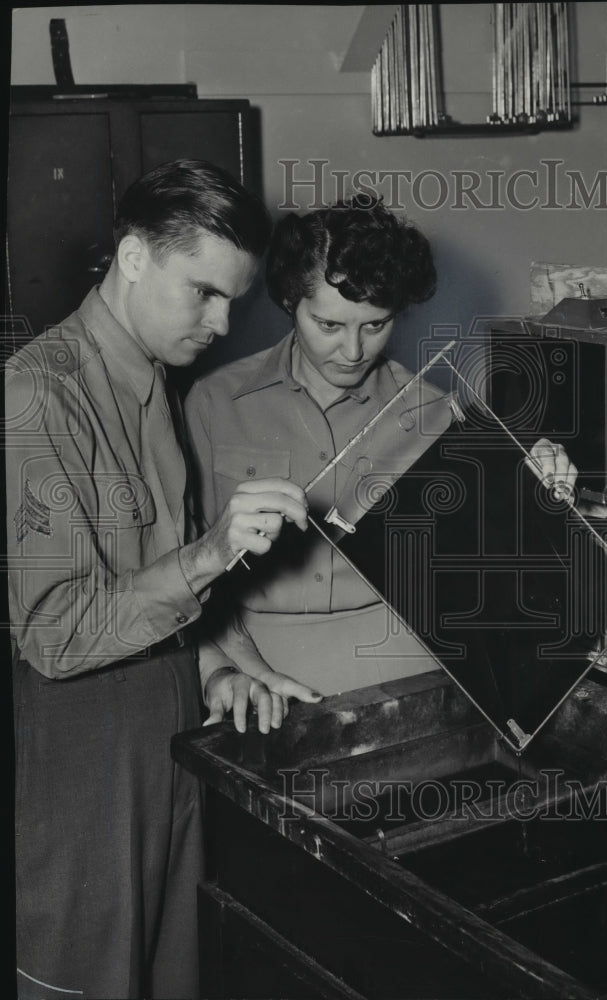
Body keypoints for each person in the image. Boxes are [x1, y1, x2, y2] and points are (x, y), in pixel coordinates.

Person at [5, 159, 322, 1000]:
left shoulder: (152, 381)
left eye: (235, 300)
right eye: (204, 293)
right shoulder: (39, 395)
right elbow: (55, 633)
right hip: (81, 774)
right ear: (134, 256)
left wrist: (221, 662)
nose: (221, 323)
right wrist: (212, 554)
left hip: (167, 749)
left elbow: (156, 581)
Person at [184, 195, 577, 696]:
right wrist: (223, 672)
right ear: (289, 302)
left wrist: (539, 492)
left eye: (375, 325)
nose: (352, 352)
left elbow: (491, 580)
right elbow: (186, 570)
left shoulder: (435, 413)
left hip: (409, 675)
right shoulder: (214, 402)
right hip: (256, 676)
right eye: (329, 325)